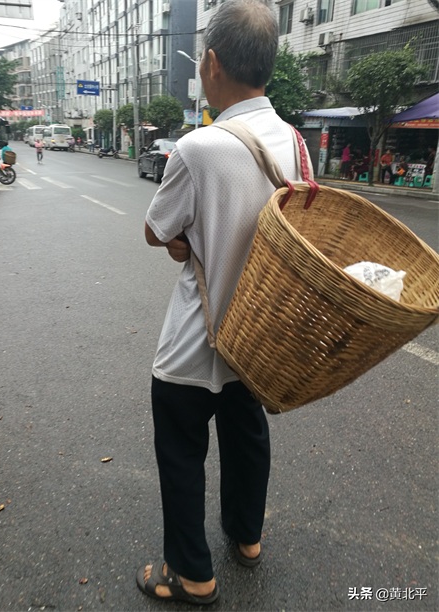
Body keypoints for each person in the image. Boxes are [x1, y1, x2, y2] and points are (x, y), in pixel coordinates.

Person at [138, 0, 308, 605]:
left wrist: (189, 239)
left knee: (181, 448)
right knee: (246, 434)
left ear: (210, 63)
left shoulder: (198, 147)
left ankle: (192, 574)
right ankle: (247, 537)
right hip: (257, 335)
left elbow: (157, 230)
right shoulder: (296, 143)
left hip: (197, 336)